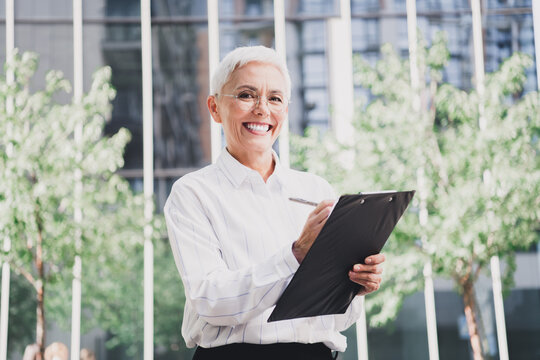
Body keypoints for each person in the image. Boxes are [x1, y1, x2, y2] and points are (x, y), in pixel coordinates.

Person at [164, 45, 385, 360]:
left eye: (275, 98)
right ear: (214, 108)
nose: (262, 109)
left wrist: (353, 285)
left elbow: (339, 319)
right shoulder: (193, 193)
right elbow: (210, 300)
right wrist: (295, 254)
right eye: (246, 95)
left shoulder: (317, 189)